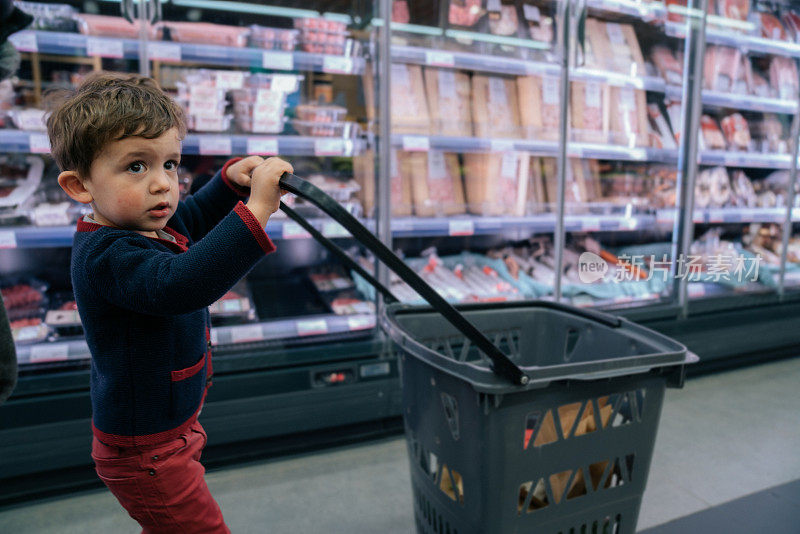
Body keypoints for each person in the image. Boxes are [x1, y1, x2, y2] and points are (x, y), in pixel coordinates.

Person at [48, 71, 292, 533]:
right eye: (136, 166)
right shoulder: (108, 253)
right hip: (145, 451)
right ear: (80, 186)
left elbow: (193, 216)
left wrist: (229, 184)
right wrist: (256, 209)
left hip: (168, 433)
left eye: (170, 164)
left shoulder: (141, 221)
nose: (163, 184)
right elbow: (181, 284)